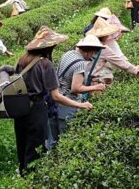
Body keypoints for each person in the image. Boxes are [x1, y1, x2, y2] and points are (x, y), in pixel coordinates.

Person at [13, 26, 93, 174]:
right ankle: (32, 178)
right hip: (36, 109)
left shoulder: (22, 60)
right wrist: (80, 105)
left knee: (22, 143)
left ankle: (22, 174)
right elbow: (56, 96)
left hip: (20, 107)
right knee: (36, 148)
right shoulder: (45, 64)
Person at [48, 35, 107, 148]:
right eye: (93, 52)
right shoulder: (80, 63)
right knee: (66, 140)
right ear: (88, 51)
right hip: (68, 104)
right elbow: (76, 88)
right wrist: (96, 87)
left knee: (53, 141)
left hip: (56, 100)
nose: (93, 56)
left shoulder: (68, 54)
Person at [87, 18, 139, 86]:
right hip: (94, 79)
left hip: (84, 76)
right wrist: (136, 71)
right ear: (105, 35)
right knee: (108, 77)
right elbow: (119, 62)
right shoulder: (103, 48)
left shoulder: (88, 44)